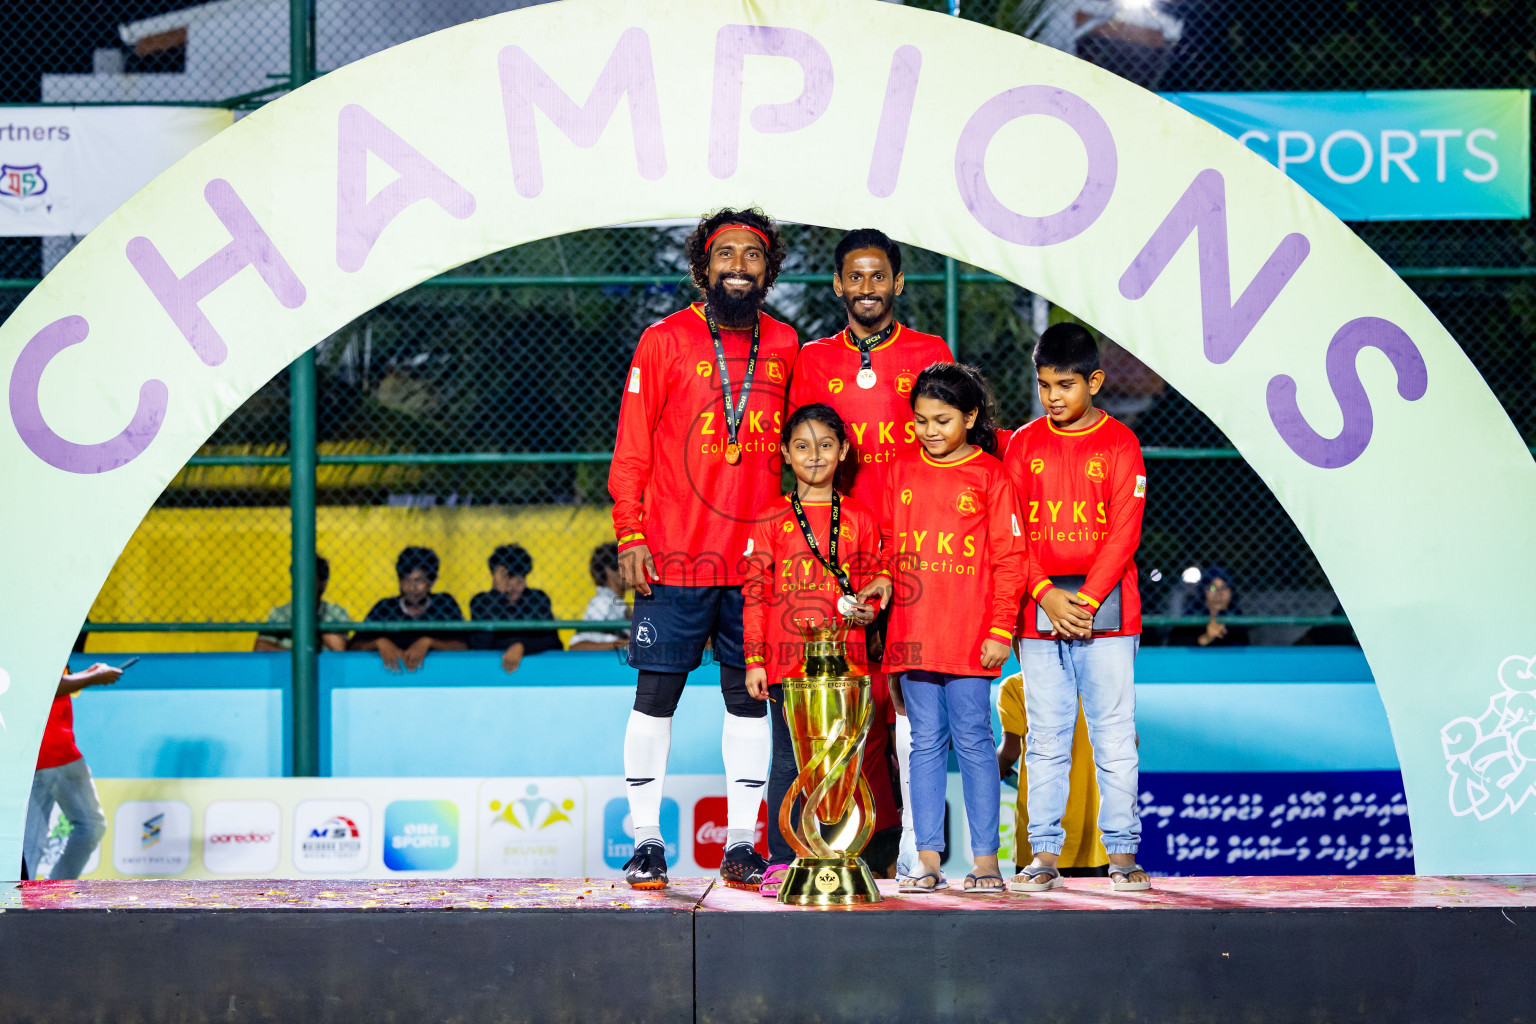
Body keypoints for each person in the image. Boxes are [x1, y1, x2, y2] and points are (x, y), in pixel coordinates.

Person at [609, 208, 799, 890]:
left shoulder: (787, 345)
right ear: (704, 267)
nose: (739, 266)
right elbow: (631, 449)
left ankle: (746, 844)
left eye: (753, 256)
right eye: (727, 255)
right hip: (673, 553)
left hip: (756, 564)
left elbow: (810, 446)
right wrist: (629, 531)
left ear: (768, 271)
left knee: (748, 701)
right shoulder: (663, 341)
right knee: (655, 694)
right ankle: (647, 841)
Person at [789, 227, 953, 882]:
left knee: (913, 702)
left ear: (898, 283)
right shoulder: (812, 358)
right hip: (844, 558)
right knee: (854, 705)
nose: (866, 287)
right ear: (837, 285)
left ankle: (918, 847)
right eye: (854, 276)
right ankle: (856, 841)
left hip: (916, 557)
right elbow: (803, 452)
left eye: (877, 275)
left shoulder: (930, 351)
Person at [859, 363, 1026, 893]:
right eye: (921, 420)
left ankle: (985, 863)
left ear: (970, 417)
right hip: (912, 635)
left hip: (970, 636)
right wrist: (882, 581)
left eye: (943, 420)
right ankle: (927, 859)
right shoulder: (901, 472)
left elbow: (1010, 558)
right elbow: (886, 545)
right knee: (925, 744)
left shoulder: (991, 476)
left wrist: (1001, 628)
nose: (930, 431)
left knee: (975, 743)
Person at [1003, 322, 1150, 892]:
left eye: (1064, 385)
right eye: (1043, 386)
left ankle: (1123, 854)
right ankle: (1043, 854)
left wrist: (1084, 600)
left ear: (1095, 380)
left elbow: (1123, 534)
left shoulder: (1120, 444)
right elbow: (1011, 532)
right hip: (1039, 611)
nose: (1052, 397)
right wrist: (1044, 593)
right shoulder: (1022, 444)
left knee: (1113, 734)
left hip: (1107, 610)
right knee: (1046, 737)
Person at [743, 404, 882, 897]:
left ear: (843, 450)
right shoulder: (769, 519)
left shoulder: (861, 518)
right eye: (802, 446)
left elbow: (872, 584)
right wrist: (756, 660)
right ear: (784, 453)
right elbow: (756, 593)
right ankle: (784, 859)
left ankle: (840, 856)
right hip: (788, 666)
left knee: (846, 762)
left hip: (847, 667)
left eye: (826, 445)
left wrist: (868, 607)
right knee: (787, 759)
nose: (815, 456)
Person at [996, 672, 1109, 877]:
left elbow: (1010, 752)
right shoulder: (1098, 681)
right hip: (1092, 831)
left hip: (1038, 833)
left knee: (1037, 905)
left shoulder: (1015, 685)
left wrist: (991, 773)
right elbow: (1129, 741)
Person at [22, 662, 118, 880]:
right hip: (57, 751)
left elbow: (56, 681)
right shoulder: (41, 640)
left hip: (33, 754)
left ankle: (25, 901)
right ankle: (51, 894)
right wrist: (94, 678)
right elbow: (46, 687)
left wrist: (89, 674)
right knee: (90, 827)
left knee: (30, 844)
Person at [350, 546, 467, 671]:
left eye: (419, 580)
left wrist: (428, 643)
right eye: (406, 580)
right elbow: (353, 647)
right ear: (399, 581)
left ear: (431, 582)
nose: (412, 587)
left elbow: (463, 646)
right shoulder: (385, 607)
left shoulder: (444, 604)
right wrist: (379, 643)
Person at [470, 544, 563, 672]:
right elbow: (480, 644)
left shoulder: (537, 599)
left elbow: (553, 642)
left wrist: (521, 646)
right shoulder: (481, 602)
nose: (514, 584)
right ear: (495, 577)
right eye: (507, 577)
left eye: (520, 578)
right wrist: (497, 594)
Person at [253, 555, 351, 652]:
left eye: (309, 578)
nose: (301, 584)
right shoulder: (282, 612)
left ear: (323, 584)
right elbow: (260, 647)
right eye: (297, 578)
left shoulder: (335, 612)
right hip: (288, 666)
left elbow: (339, 648)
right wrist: (297, 655)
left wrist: (312, 614)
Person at [1167, 567, 1248, 647]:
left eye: (1223, 588)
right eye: (1212, 588)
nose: (1218, 594)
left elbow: (1243, 648)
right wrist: (1206, 638)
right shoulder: (1191, 616)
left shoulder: (1237, 617)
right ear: (1203, 592)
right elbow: (1174, 646)